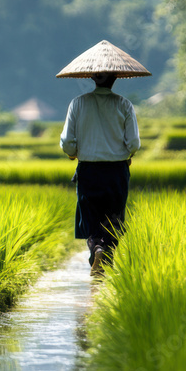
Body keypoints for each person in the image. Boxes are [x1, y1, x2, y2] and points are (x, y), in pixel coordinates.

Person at [59, 71, 140, 275]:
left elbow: (68, 141)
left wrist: (73, 154)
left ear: (93, 78)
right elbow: (134, 143)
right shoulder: (124, 104)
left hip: (89, 170)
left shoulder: (77, 103)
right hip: (117, 171)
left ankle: (97, 250)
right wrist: (128, 153)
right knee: (113, 219)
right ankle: (105, 262)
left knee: (92, 219)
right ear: (116, 79)